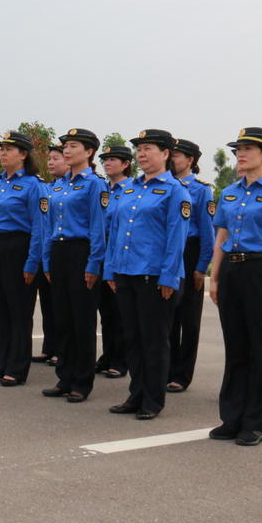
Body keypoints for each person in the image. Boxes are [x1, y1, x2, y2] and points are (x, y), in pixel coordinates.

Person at [208, 127, 262, 446]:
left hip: (261, 271)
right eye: (238, 149)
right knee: (235, 348)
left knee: (261, 350)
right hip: (232, 271)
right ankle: (231, 417)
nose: (240, 154)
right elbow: (220, 238)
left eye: (247, 149)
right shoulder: (229, 193)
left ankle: (255, 422)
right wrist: (215, 277)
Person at [103, 129, 190, 419]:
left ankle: (152, 400)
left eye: (148, 148)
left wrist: (169, 277)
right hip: (125, 272)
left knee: (154, 340)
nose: (141, 154)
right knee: (133, 338)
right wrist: (110, 269)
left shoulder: (175, 191)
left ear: (165, 154)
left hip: (154, 277)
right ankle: (136, 394)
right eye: (139, 149)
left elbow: (177, 238)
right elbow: (115, 231)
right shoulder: (130, 188)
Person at [39, 129, 108, 402]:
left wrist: (94, 263)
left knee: (82, 319)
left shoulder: (95, 184)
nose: (67, 150)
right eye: (65, 146)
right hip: (59, 251)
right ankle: (64, 376)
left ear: (89, 152)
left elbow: (98, 227)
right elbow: (49, 226)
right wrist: (47, 259)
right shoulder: (58, 185)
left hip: (82, 252)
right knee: (62, 318)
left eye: (73, 146)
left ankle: (82, 380)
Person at [0, 131, 44, 386]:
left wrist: (32, 261)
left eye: (8, 149)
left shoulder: (33, 185)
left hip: (17, 247)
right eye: (1, 149)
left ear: (23, 154)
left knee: (18, 310)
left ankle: (16, 367)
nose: (2, 153)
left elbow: (39, 227)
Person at [167, 138, 214, 393]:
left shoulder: (201, 190)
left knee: (189, 318)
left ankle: (182, 374)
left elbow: (208, 232)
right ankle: (167, 368)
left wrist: (201, 266)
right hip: (169, 253)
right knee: (168, 316)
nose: (172, 159)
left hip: (190, 251)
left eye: (176, 155)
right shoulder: (166, 186)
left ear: (190, 160)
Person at [95, 144, 134, 379]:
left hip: (120, 252)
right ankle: (107, 355)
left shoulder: (131, 189)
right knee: (105, 311)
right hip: (101, 252)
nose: (107, 163)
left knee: (120, 312)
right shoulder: (102, 188)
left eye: (112, 160)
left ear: (126, 164)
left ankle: (121, 360)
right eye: (105, 160)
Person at [34, 144, 70, 367]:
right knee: (48, 303)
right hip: (45, 251)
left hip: (65, 250)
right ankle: (49, 347)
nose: (50, 162)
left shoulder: (75, 188)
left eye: (56, 158)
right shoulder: (48, 188)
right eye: (49, 159)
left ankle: (62, 350)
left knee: (62, 306)